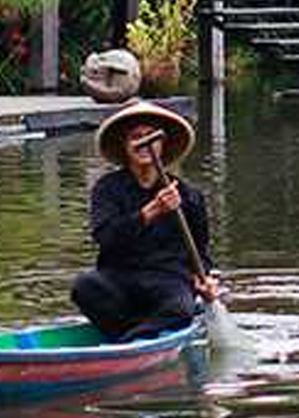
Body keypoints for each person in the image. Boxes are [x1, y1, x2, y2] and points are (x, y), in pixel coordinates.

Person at [72, 101, 221, 343]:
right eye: (136, 137)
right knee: (84, 286)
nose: (145, 144)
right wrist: (150, 212)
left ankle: (128, 341)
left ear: (163, 144)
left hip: (167, 280)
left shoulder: (189, 195)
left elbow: (200, 250)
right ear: (125, 145)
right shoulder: (107, 189)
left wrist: (203, 279)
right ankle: (140, 333)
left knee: (180, 310)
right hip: (119, 277)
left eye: (152, 137)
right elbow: (106, 238)